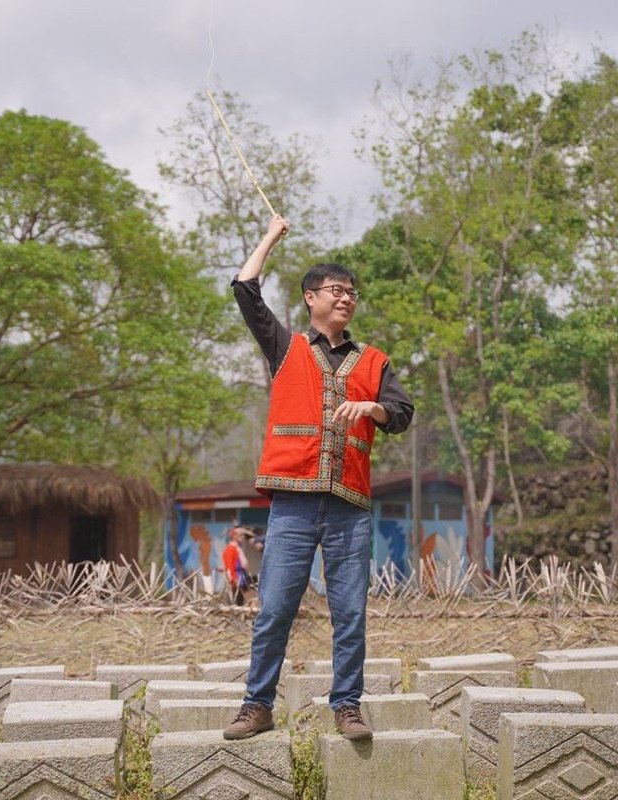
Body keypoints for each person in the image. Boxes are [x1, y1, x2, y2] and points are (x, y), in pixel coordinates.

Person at [224, 216, 414, 741]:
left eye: (352, 292)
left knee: (350, 613)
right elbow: (244, 289)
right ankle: (256, 705)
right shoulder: (285, 347)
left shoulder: (374, 361)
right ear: (311, 298)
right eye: (336, 290)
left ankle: (347, 704)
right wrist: (269, 234)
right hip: (293, 504)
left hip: (350, 506)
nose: (347, 298)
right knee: (276, 609)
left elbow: (401, 413)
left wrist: (372, 406)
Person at [221, 526, 251, 606]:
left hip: (242, 576)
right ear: (234, 536)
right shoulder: (230, 549)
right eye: (240, 535)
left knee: (243, 598)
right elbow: (229, 567)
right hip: (236, 578)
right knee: (236, 599)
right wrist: (233, 579)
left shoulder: (238, 548)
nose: (242, 537)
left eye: (242, 535)